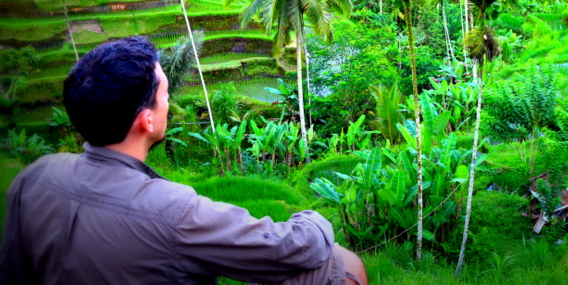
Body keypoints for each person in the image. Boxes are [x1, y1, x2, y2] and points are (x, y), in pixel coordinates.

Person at [0, 37, 368, 285]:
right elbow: (291, 247)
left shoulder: (34, 177)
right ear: (146, 119)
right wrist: (315, 217)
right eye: (164, 93)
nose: (168, 99)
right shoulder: (173, 211)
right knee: (342, 263)